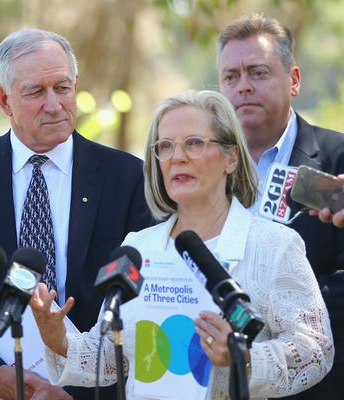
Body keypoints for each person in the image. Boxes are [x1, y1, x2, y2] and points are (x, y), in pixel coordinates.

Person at [31, 90, 334, 399]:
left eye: (194, 143)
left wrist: (242, 356)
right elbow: (113, 356)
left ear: (231, 158)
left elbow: (315, 350)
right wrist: (59, 340)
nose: (177, 157)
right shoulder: (137, 247)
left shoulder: (273, 245)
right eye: (165, 146)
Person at [0, 28, 153, 400]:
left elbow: (143, 302)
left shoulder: (128, 178)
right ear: (3, 100)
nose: (54, 104)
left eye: (63, 87)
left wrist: (79, 383)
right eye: (36, 92)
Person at [216, 15, 344, 398]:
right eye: (231, 77)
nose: (244, 87)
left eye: (258, 73)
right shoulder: (201, 166)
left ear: (294, 79)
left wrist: (275, 337)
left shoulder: (337, 160)